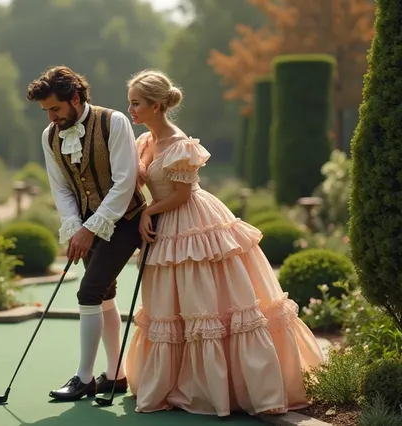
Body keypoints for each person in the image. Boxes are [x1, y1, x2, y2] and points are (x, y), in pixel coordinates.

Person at [121, 69, 325, 417]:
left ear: (156, 105)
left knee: (206, 303)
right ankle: (179, 382)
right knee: (174, 306)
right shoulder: (145, 141)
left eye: (136, 103)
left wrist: (147, 211)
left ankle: (226, 388)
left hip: (191, 220)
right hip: (165, 227)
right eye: (130, 103)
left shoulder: (180, 144)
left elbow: (183, 195)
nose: (131, 110)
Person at [26, 65, 147, 401]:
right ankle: (116, 374)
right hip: (85, 226)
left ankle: (84, 378)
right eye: (46, 111)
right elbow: (61, 189)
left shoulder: (114, 122)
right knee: (104, 294)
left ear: (76, 98)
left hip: (124, 221)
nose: (51, 117)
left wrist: (91, 230)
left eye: (55, 109)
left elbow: (124, 183)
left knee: (89, 291)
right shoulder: (49, 136)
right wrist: (74, 229)